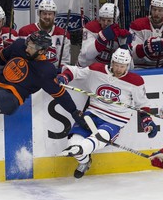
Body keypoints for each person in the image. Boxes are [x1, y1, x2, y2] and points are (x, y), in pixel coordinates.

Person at [0, 30, 88, 188]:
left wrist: (73, 111)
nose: (27, 48)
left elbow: (60, 94)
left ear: (42, 51)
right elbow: (1, 57)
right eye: (28, 43)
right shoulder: (18, 46)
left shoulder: (46, 70)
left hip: (13, 96)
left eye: (31, 47)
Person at [57, 47, 158, 178]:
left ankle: (81, 150)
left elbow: (142, 105)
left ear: (127, 66)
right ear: (112, 63)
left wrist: (147, 121)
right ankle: (85, 161)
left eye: (122, 66)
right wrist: (64, 76)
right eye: (116, 65)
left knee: (99, 137)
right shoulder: (96, 69)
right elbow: (75, 71)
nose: (119, 69)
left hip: (115, 120)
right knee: (72, 143)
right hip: (93, 114)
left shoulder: (136, 81)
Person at [77, 3, 132, 68]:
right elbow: (87, 55)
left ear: (116, 21)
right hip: (85, 69)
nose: (105, 23)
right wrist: (102, 38)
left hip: (106, 72)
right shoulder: (91, 28)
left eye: (109, 21)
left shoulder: (120, 35)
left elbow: (130, 67)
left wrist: (124, 48)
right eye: (103, 20)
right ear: (99, 20)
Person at [18, 0, 70, 66]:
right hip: (32, 71)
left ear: (54, 15)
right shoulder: (26, 31)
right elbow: (21, 57)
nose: (47, 17)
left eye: (50, 14)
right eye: (44, 13)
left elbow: (65, 61)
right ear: (39, 14)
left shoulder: (63, 34)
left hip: (55, 73)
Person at [129, 0, 163, 68]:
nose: (156, 13)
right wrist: (145, 48)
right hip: (140, 68)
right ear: (150, 9)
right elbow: (131, 53)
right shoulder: (138, 25)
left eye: (160, 10)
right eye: (154, 9)